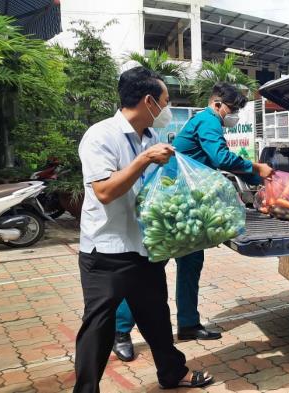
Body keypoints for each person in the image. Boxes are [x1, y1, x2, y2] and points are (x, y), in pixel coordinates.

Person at [112, 81, 272, 361]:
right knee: (148, 270)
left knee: (191, 263)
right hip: (175, 203)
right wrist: (256, 169)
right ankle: (120, 331)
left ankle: (188, 324)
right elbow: (219, 156)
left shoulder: (206, 119)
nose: (232, 115)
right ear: (217, 104)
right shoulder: (209, 120)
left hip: (193, 202)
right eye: (231, 109)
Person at [75, 66, 212, 392]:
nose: (166, 110)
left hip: (143, 245)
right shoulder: (101, 135)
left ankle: (171, 373)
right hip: (106, 249)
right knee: (98, 325)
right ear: (149, 101)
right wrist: (144, 161)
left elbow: (153, 187)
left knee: (155, 315)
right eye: (165, 101)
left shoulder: (150, 137)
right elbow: (105, 192)